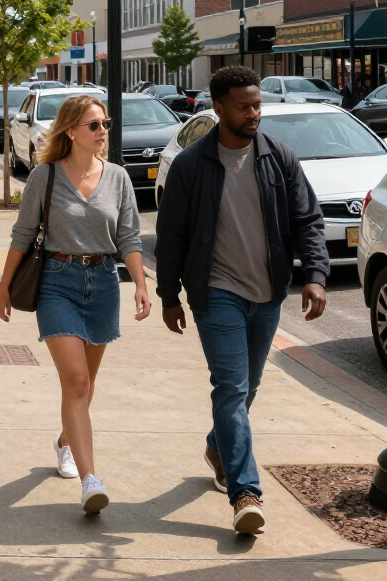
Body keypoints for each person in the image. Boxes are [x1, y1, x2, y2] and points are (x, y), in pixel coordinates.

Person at [156, 65, 329, 535]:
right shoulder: (192, 166)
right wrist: (169, 295)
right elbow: (170, 237)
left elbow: (307, 221)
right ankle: (245, 494)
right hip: (216, 293)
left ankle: (218, 445)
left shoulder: (279, 158)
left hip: (268, 292)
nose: (255, 113)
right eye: (244, 106)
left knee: (246, 389)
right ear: (218, 108)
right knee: (230, 389)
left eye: (257, 105)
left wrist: (314, 275)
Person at [0, 94, 150, 517]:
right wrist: (3, 286)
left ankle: (66, 441)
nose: (103, 132)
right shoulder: (45, 177)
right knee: (77, 381)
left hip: (102, 282)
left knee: (86, 383)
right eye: (94, 125)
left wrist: (139, 283)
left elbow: (130, 238)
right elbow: (23, 234)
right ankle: (91, 480)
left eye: (105, 124)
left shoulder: (117, 178)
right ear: (70, 131)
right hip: (56, 283)